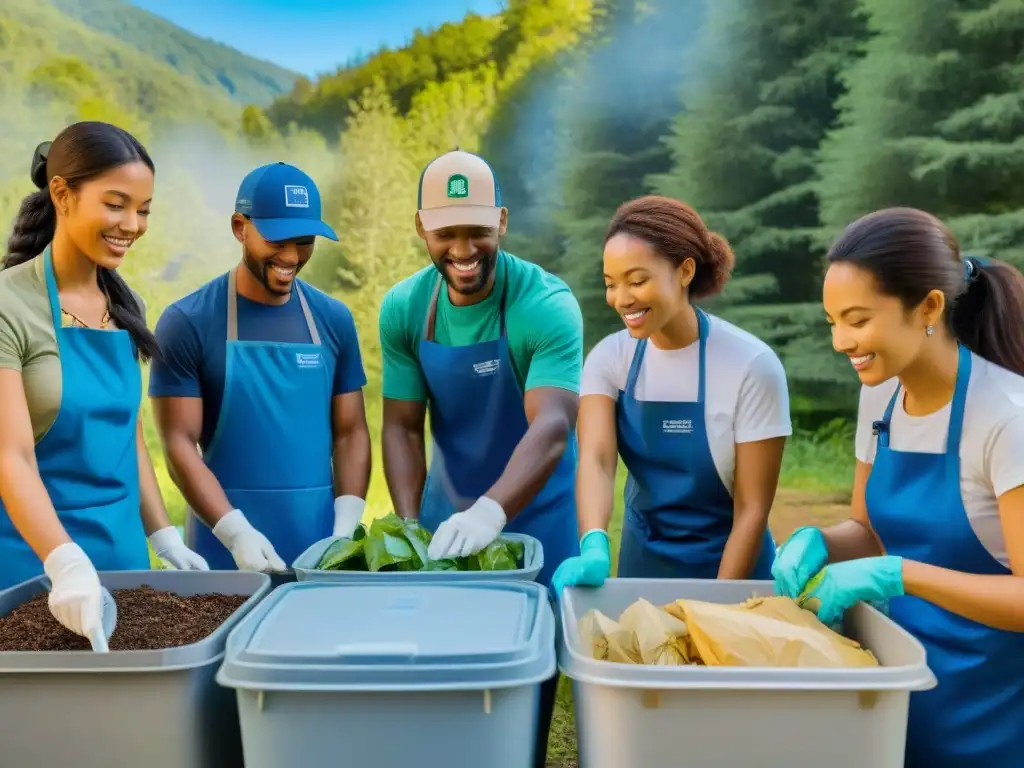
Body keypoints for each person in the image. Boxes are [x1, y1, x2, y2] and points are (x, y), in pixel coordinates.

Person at [773, 207, 1024, 767]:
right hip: (894, 683)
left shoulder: (1007, 419)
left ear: (930, 307)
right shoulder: (880, 396)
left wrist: (899, 573)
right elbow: (865, 528)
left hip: (993, 714)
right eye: (831, 321)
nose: (841, 341)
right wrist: (820, 539)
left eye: (857, 320)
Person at [379, 149, 582, 767]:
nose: (463, 249)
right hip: (445, 519)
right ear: (421, 228)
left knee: (526, 688)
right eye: (447, 233)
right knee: (446, 684)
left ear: (502, 221)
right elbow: (402, 427)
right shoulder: (406, 309)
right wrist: (412, 525)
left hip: (536, 521)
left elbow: (551, 425)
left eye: (477, 231)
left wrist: (494, 512)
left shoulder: (543, 304)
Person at [0, 121, 208, 640]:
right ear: (62, 193)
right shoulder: (9, 306)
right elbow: (12, 456)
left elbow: (128, 436)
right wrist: (64, 563)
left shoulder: (124, 306)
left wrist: (162, 536)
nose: (132, 225)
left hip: (123, 557)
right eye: (116, 204)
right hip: (33, 565)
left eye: (144, 210)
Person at [550, 196, 791, 593]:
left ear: (685, 271)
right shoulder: (611, 358)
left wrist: (719, 606)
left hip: (734, 568)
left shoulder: (750, 365)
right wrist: (594, 541)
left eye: (637, 280)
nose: (622, 298)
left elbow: (752, 510)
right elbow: (596, 459)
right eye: (611, 284)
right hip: (643, 561)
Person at [148, 162, 370, 573]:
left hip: (318, 555)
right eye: (277, 239)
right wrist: (236, 533)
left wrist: (343, 532)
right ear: (239, 227)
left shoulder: (333, 320)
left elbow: (351, 431)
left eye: (304, 242)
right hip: (225, 554)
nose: (290, 256)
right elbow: (179, 442)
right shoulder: (188, 322)